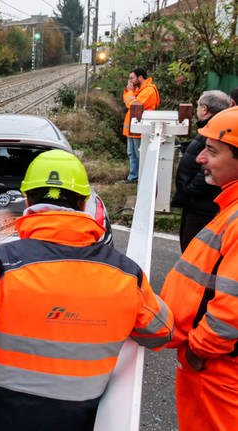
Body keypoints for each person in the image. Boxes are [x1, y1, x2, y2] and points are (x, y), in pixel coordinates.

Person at [0, 149, 174, 431]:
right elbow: (162, 331)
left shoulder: (3, 265)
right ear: (84, 203)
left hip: (0, 411)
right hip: (76, 415)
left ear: (27, 201)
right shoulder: (125, 274)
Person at [160, 106, 238, 431]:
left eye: (212, 150)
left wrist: (198, 351)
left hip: (219, 371)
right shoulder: (230, 208)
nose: (201, 159)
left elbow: (232, 307)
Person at [171, 90, 230, 251]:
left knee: (194, 250)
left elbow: (210, 167)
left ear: (204, 109)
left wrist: (190, 189)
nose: (201, 158)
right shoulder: (213, 128)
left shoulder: (215, 130)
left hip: (201, 206)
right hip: (199, 203)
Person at [118, 67, 160, 183]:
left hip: (139, 128)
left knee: (138, 154)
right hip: (133, 128)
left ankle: (141, 177)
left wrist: (129, 92)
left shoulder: (149, 91)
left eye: (132, 78)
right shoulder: (141, 89)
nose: (130, 81)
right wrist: (129, 91)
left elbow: (134, 105)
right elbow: (130, 102)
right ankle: (134, 176)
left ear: (140, 77)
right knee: (132, 153)